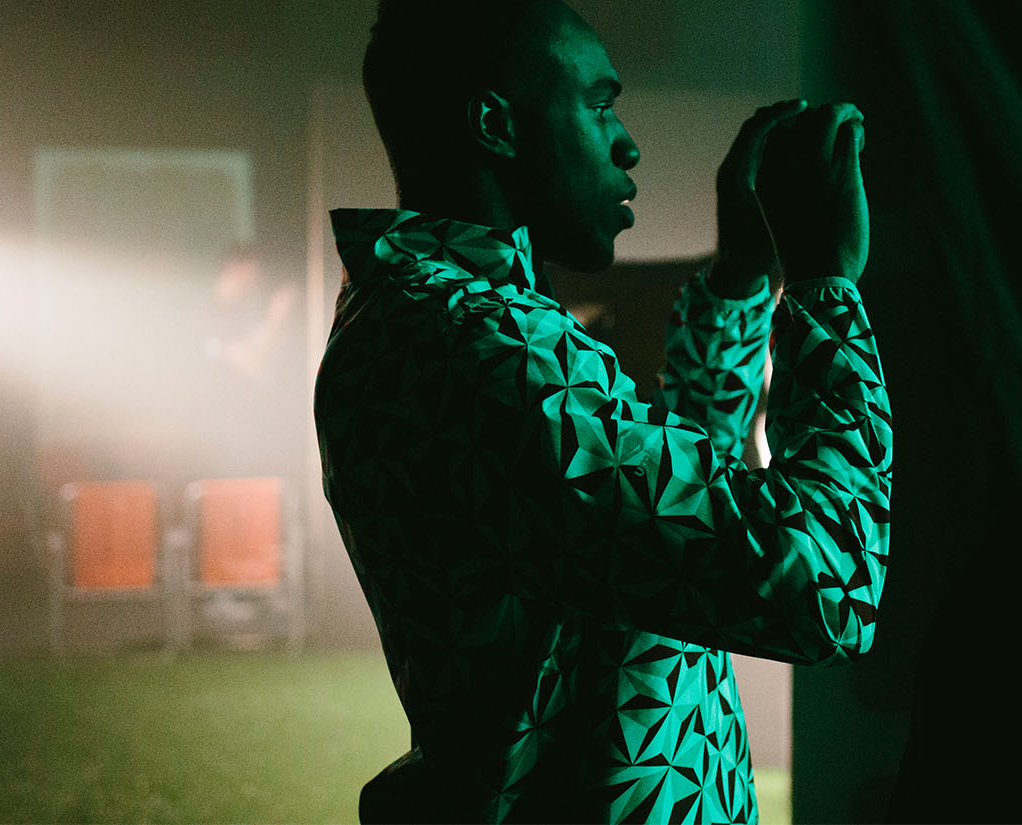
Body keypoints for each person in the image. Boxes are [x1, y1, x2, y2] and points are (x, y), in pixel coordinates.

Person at [314, 1, 890, 821]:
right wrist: (824, 288)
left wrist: (739, 276)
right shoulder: (486, 349)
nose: (627, 145)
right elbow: (823, 586)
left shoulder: (429, 321)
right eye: (597, 104)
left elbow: (672, 507)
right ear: (494, 125)